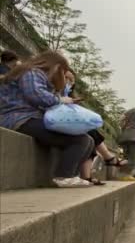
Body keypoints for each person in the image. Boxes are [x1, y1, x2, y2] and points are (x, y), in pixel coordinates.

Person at [0, 51, 94, 187]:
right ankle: (64, 176)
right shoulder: (31, 72)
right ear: (56, 66)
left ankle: (72, 175)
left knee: (88, 140)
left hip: (27, 118)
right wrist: (61, 100)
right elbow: (36, 95)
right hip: (20, 118)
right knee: (80, 139)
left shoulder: (30, 72)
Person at [64, 70, 127, 185]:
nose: (70, 82)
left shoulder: (69, 95)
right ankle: (108, 158)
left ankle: (87, 177)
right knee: (90, 133)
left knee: (91, 138)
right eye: (67, 78)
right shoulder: (54, 92)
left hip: (67, 124)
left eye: (72, 80)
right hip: (55, 123)